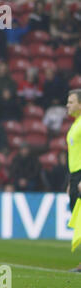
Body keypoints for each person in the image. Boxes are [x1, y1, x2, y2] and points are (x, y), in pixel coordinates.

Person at [65, 89, 81, 272]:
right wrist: (71, 180)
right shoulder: (76, 123)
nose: (67, 105)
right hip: (75, 175)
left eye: (71, 102)